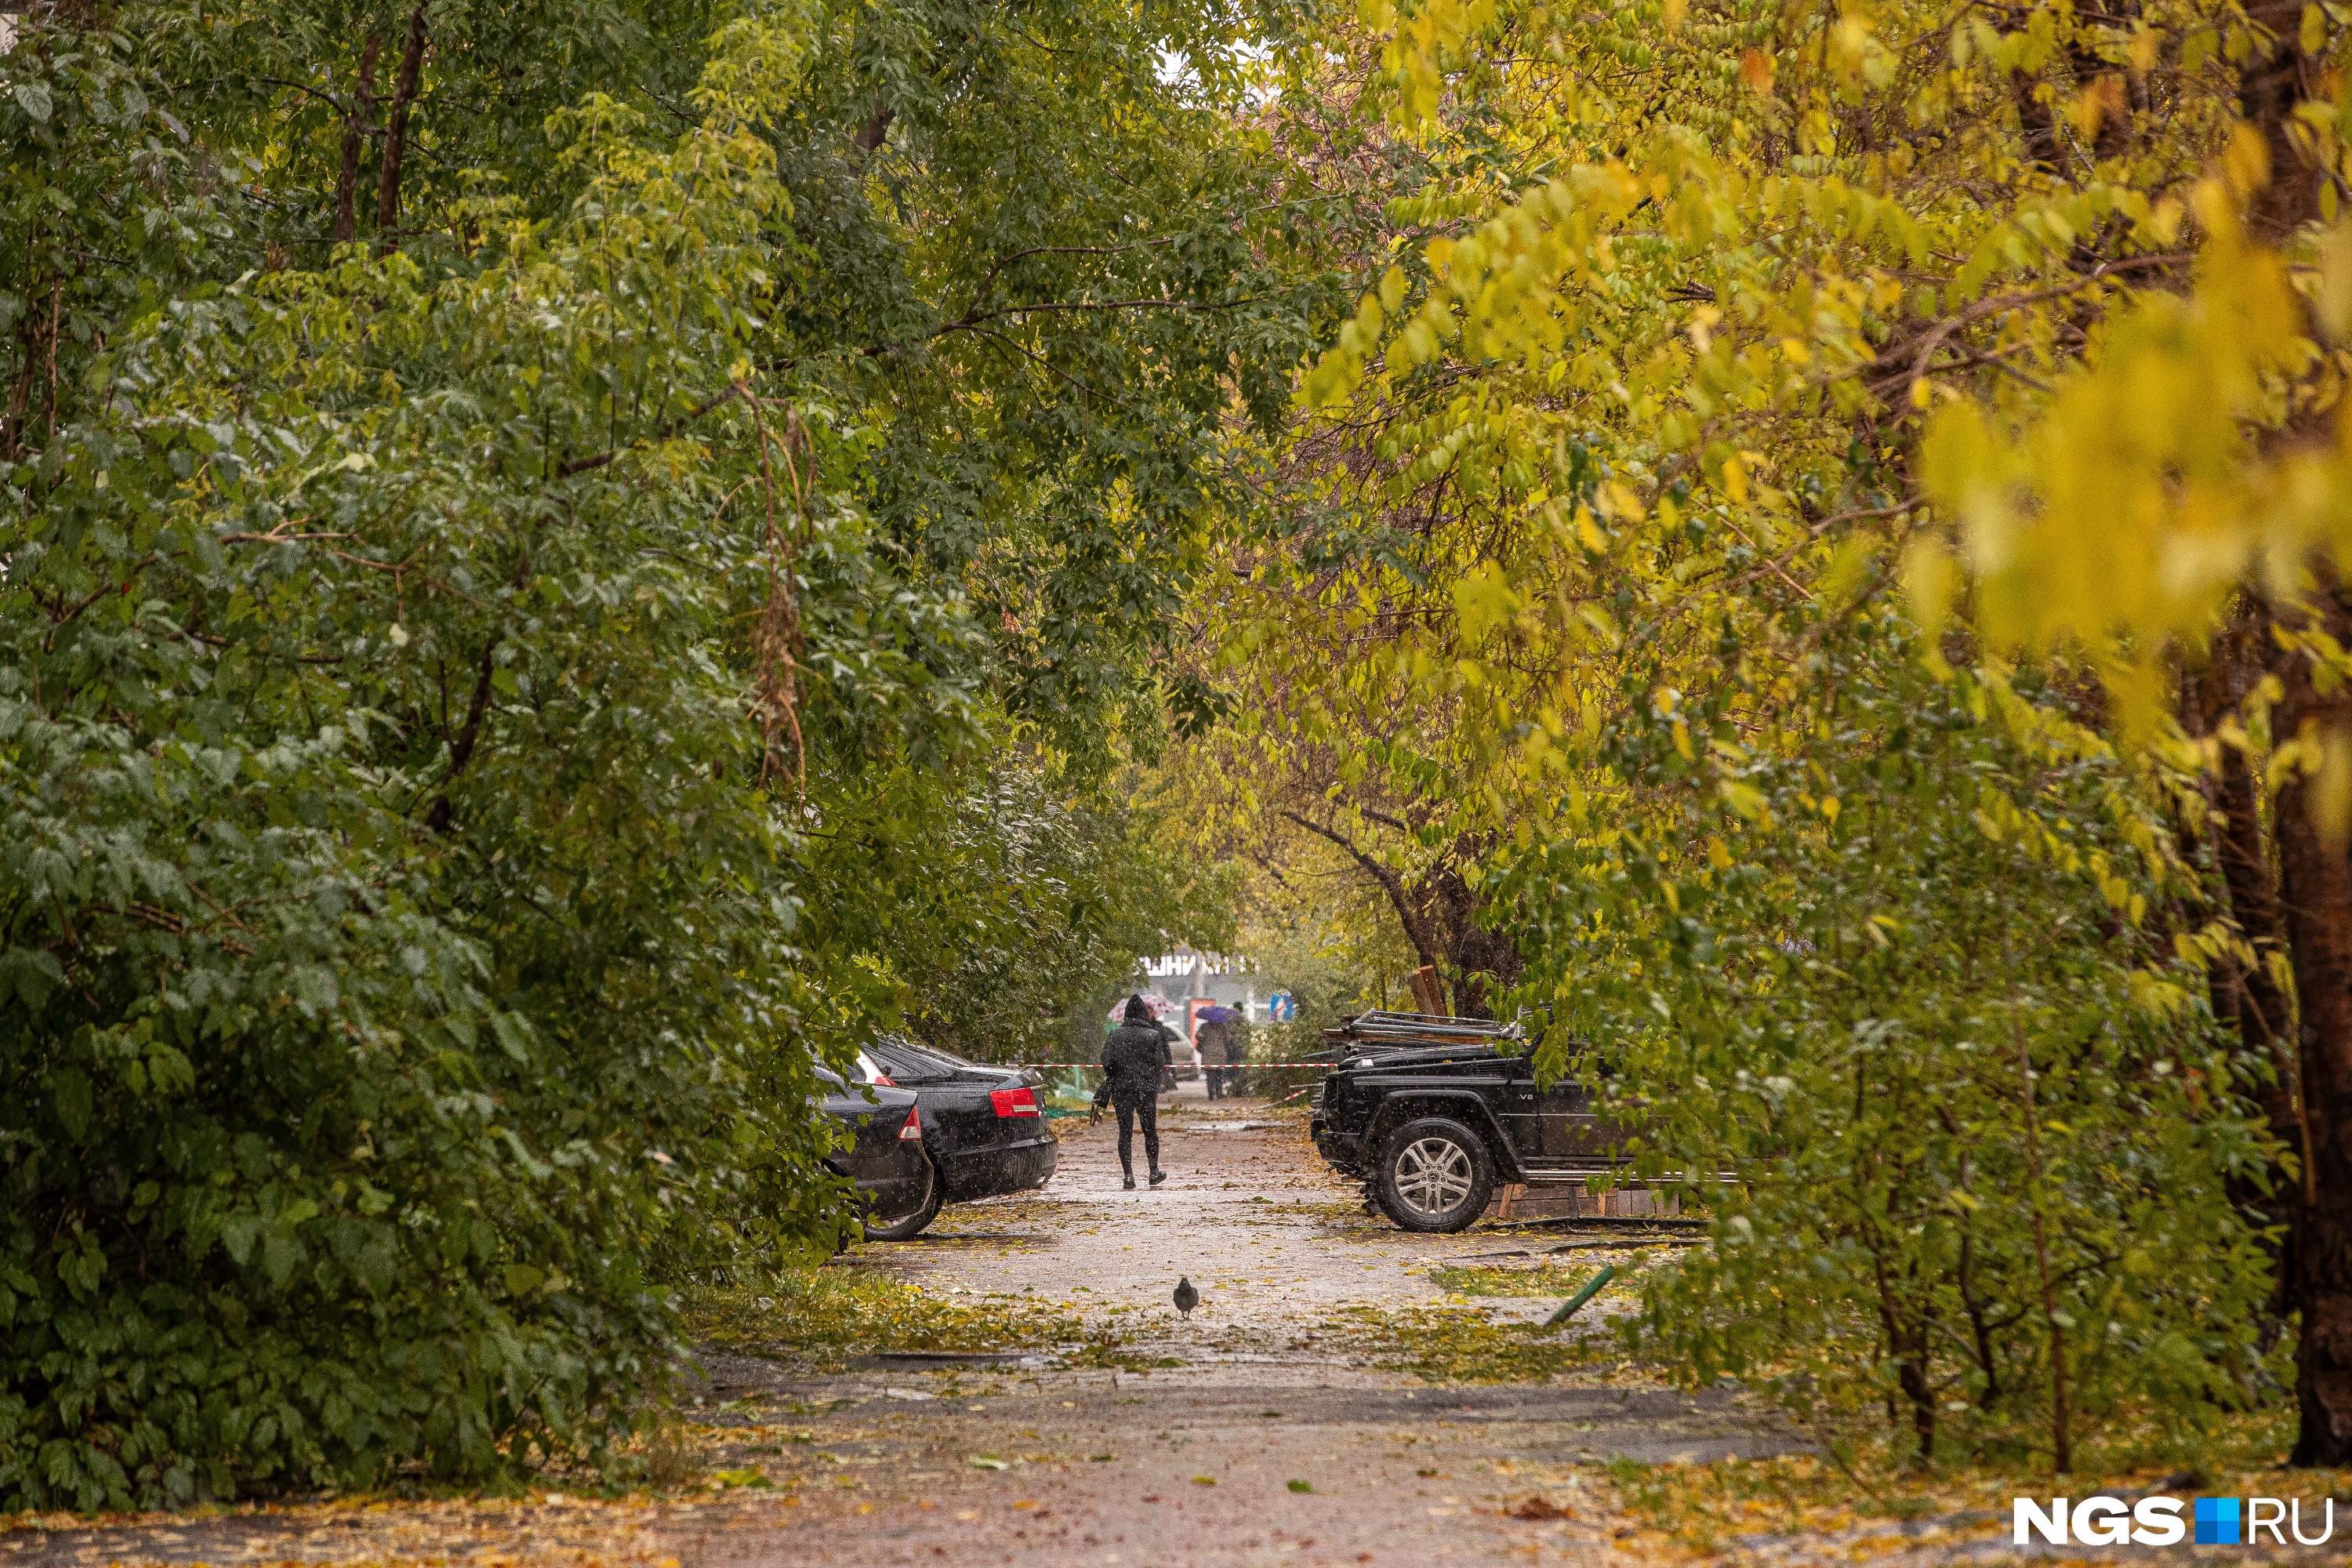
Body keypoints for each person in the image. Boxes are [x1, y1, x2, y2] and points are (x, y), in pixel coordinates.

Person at [1092, 994, 1170, 1188]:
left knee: (1124, 1132)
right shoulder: (1153, 1035)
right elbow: (1160, 1062)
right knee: (1149, 1131)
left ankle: (1128, 1176)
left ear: (1126, 1014)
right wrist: (1148, 1076)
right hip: (1146, 1089)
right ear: (1144, 1015)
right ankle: (1153, 1172)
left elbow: (1107, 1062)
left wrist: (1119, 1074)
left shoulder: (1115, 1035)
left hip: (1122, 1089)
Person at [1196, 1004, 1235, 1099]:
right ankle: (1219, 1092)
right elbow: (1228, 1038)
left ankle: (1211, 1094)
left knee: (1210, 1075)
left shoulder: (1204, 1026)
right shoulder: (1223, 1027)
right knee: (1219, 1075)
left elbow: (1198, 1036)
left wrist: (1205, 1037)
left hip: (1208, 1053)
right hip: (1220, 1053)